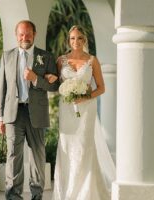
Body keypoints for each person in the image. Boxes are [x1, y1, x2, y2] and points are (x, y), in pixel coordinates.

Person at [47, 25, 116, 200]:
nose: (75, 41)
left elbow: (101, 88)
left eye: (78, 38)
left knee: (84, 146)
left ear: (84, 40)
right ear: (68, 41)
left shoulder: (92, 60)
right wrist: (52, 80)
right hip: (67, 109)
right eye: (72, 38)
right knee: (67, 146)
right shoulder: (61, 60)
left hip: (87, 110)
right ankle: (66, 191)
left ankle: (84, 193)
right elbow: (56, 85)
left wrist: (86, 97)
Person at [0, 20, 60, 200]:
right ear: (16, 36)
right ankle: (13, 195)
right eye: (21, 34)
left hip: (36, 114)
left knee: (37, 156)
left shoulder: (45, 57)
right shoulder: (7, 56)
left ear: (34, 34)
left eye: (28, 34)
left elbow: (55, 87)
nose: (25, 37)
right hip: (13, 114)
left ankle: (37, 195)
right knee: (13, 155)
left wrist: (36, 79)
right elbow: (2, 88)